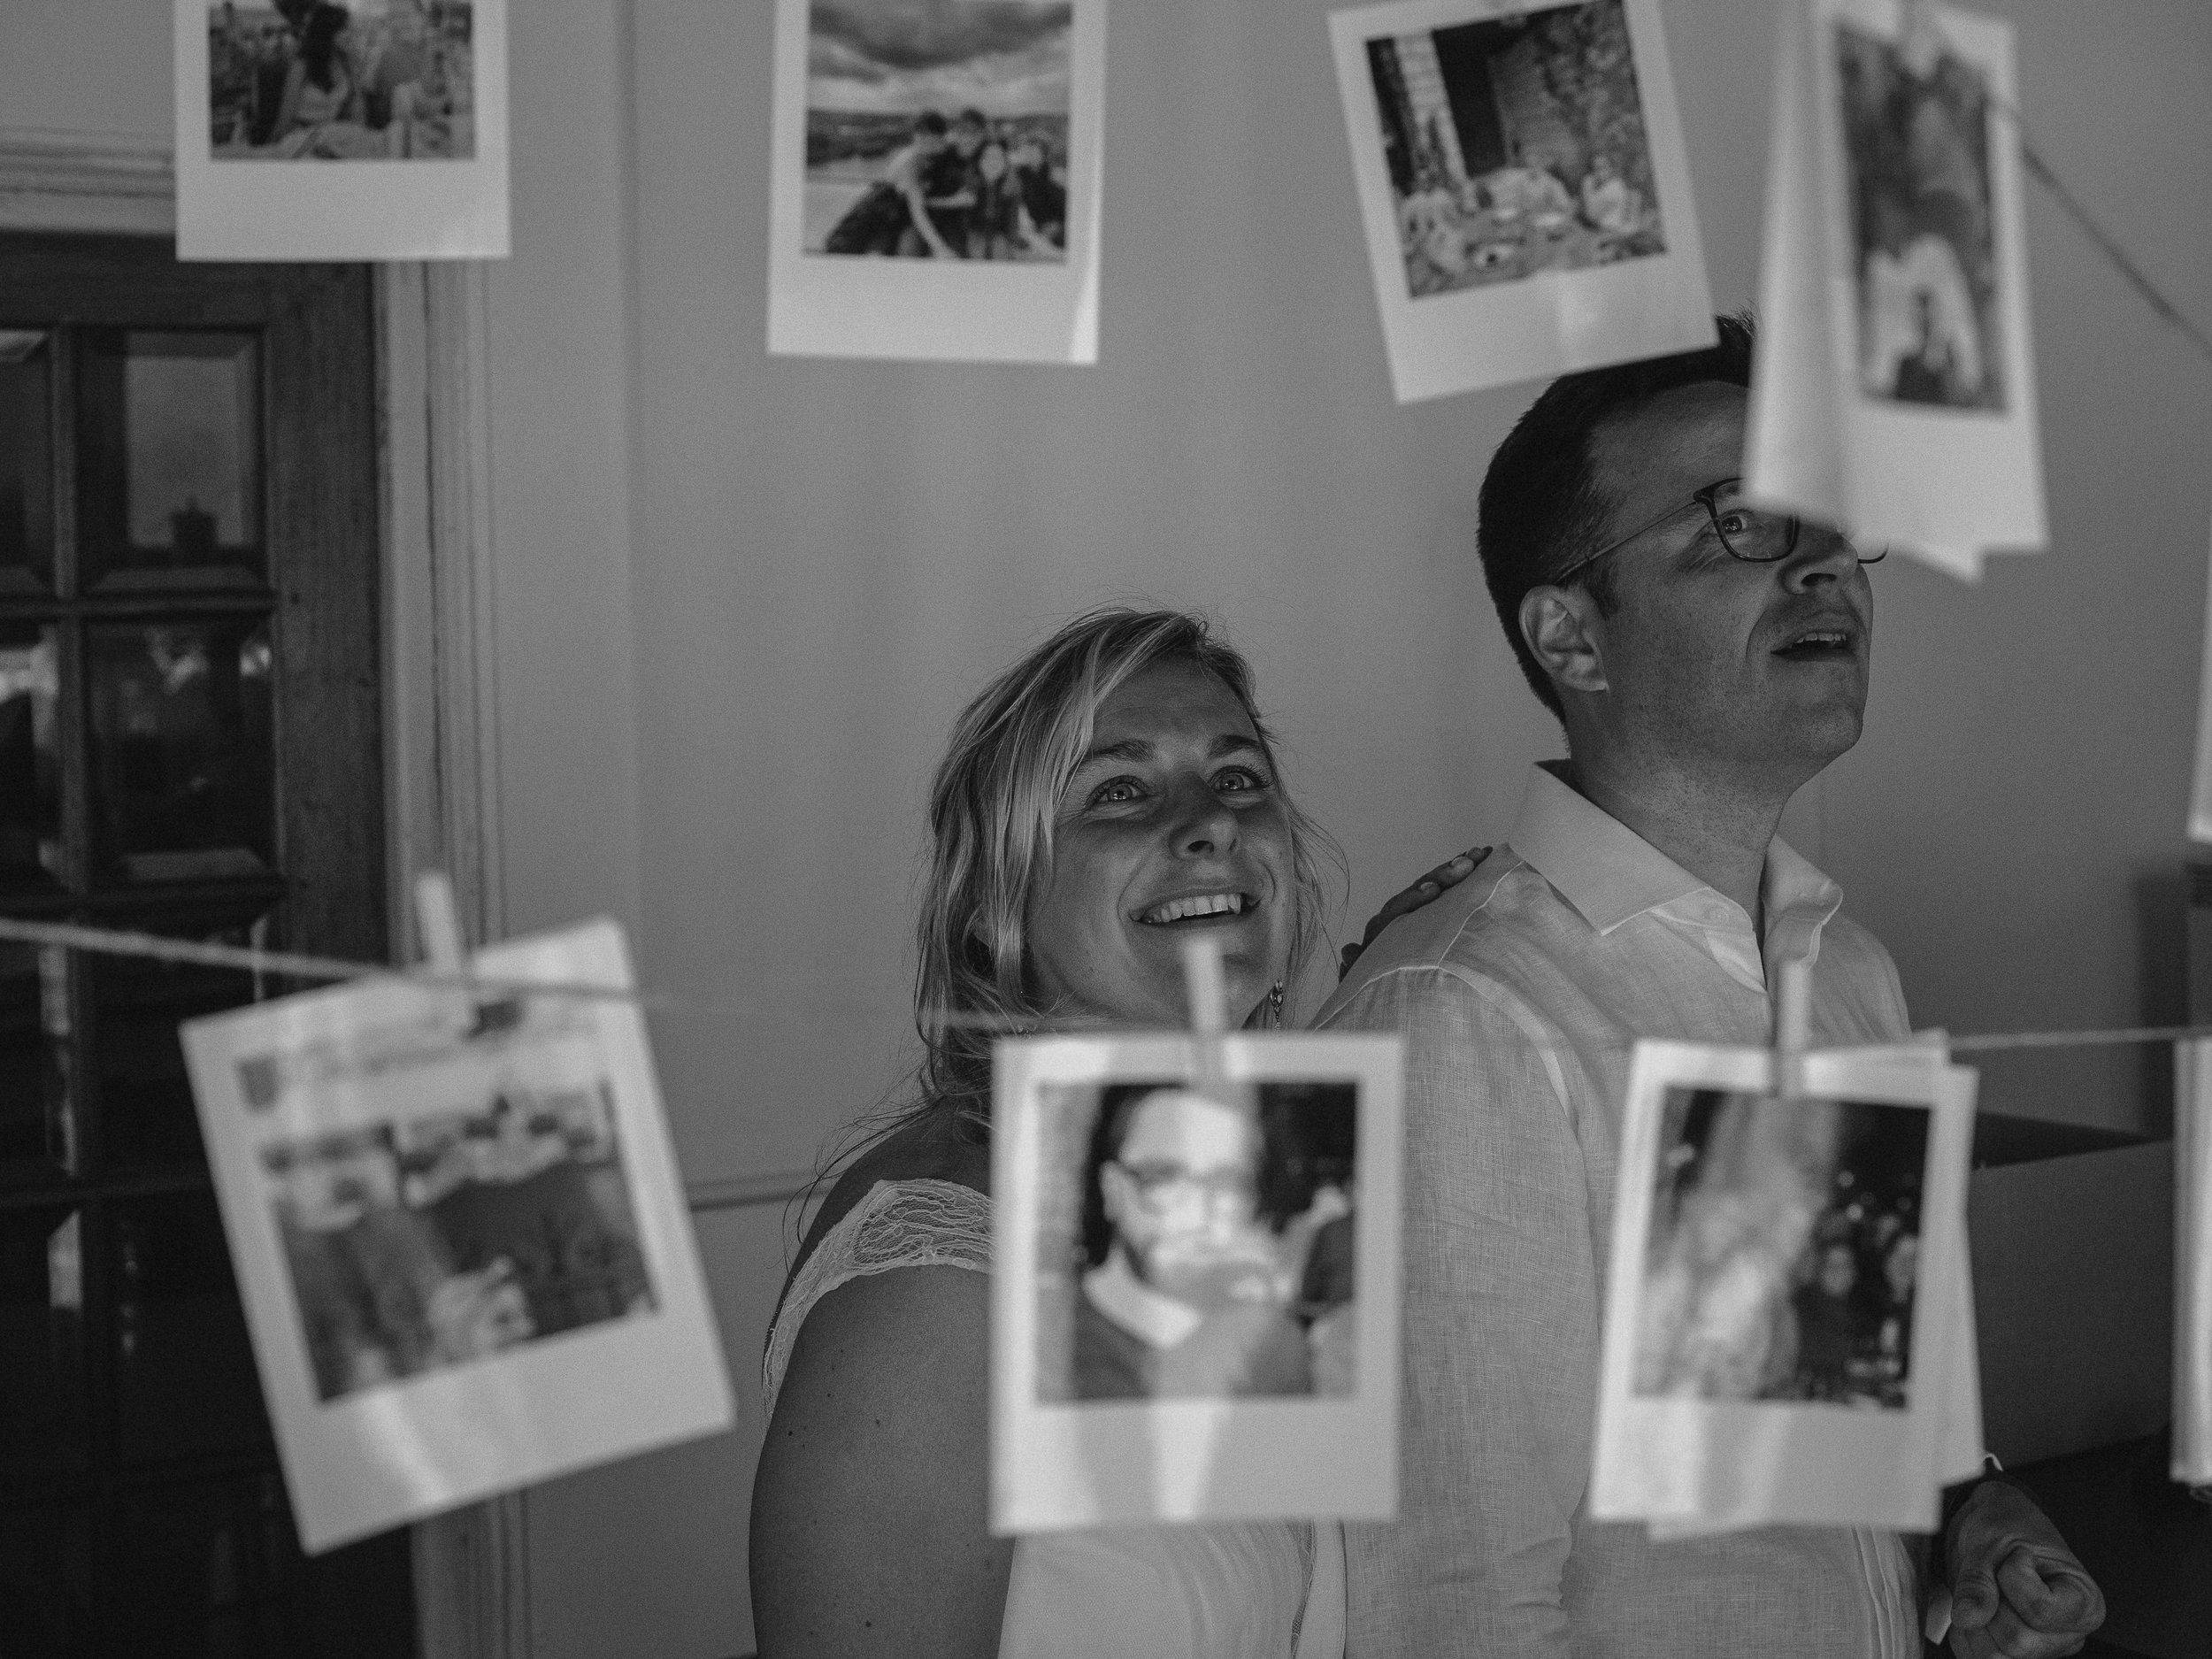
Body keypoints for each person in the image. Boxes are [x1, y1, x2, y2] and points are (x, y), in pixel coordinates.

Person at [1321, 316, 2106, 1657]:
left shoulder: (1842, 966)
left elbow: (1814, 1453)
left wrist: (1964, 1526)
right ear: (1573, 634)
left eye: (1823, 516)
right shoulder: (1461, 1012)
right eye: (1738, 519)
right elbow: (1452, 1608)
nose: (1818, 563)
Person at [751, 607, 1469, 1659]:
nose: (1212, 822)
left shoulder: (1219, 1196)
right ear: (998, 898)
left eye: (1239, 780)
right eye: (1119, 791)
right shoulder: (936, 1289)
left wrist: (1379, 1012)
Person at [1065, 1083, 1312, 1401]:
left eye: (1227, 1183)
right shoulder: (1045, 1346)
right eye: (1163, 1178)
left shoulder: (1276, 1349)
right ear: (1113, 1190)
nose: (1197, 1218)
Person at [822, 111, 960, 259]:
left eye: (932, 138)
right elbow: (918, 214)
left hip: (888, 218)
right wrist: (941, 249)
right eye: (922, 136)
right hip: (878, 224)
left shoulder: (917, 155)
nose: (925, 141)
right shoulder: (910, 165)